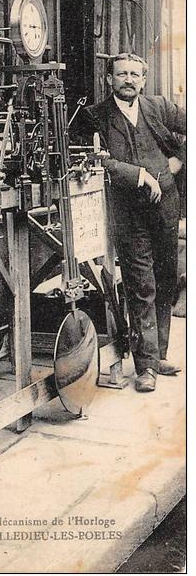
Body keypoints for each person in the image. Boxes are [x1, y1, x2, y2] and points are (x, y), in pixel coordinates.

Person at [87, 53, 186, 392]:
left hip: (166, 208)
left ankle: (158, 354)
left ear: (143, 79)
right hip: (128, 213)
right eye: (121, 74)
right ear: (109, 79)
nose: (128, 80)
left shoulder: (158, 107)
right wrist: (138, 174)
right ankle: (145, 367)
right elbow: (96, 160)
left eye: (134, 74)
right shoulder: (96, 117)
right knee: (141, 284)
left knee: (166, 279)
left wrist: (178, 161)